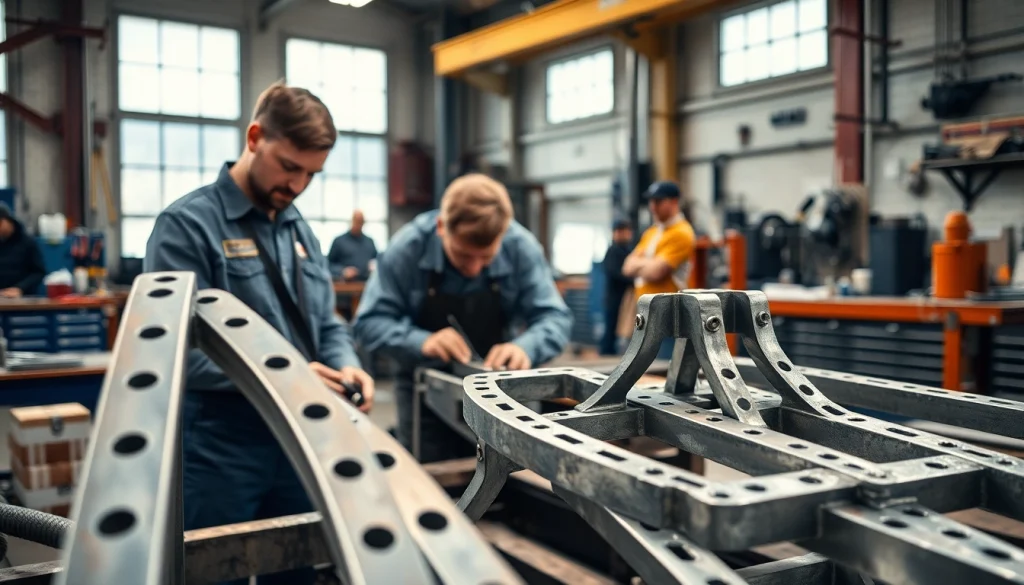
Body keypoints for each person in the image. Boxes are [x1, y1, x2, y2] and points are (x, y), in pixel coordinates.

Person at [144, 82, 373, 585]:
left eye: (311, 174)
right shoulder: (187, 227)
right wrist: (287, 375)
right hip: (220, 448)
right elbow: (172, 350)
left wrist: (345, 362)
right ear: (254, 137)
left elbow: (325, 323)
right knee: (212, 571)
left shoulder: (300, 232)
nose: (298, 185)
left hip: (298, 442)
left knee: (292, 568)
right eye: (289, 166)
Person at [353, 173, 573, 463]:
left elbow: (554, 318)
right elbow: (369, 323)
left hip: (503, 391)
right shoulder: (408, 248)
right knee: (431, 480)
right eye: (463, 255)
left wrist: (525, 347)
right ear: (442, 226)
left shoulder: (520, 247)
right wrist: (421, 341)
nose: (473, 269)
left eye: (486, 259)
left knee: (515, 477)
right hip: (426, 393)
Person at [623, 181, 695, 358]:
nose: (652, 206)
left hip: (667, 317)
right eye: (651, 201)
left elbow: (655, 272)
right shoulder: (652, 232)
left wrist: (641, 264)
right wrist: (648, 264)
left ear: (674, 202)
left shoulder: (682, 233)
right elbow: (626, 266)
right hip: (645, 313)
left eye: (658, 201)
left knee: (662, 371)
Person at [599, 217, 633, 355]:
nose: (621, 234)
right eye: (618, 231)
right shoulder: (613, 251)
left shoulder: (628, 250)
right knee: (610, 328)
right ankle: (606, 355)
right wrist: (632, 277)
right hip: (614, 297)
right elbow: (614, 272)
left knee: (620, 328)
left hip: (626, 298)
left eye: (624, 231)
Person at [0, 203, 45, 298]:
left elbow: (38, 272)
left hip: (24, 299)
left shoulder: (27, 243)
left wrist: (20, 288)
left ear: (6, 221)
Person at [328, 210, 378, 281]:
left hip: (365, 284)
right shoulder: (339, 241)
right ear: (351, 221)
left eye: (361, 222)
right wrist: (342, 271)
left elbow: (376, 261)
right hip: (345, 286)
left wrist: (373, 267)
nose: (358, 224)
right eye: (356, 221)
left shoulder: (369, 242)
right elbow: (329, 264)